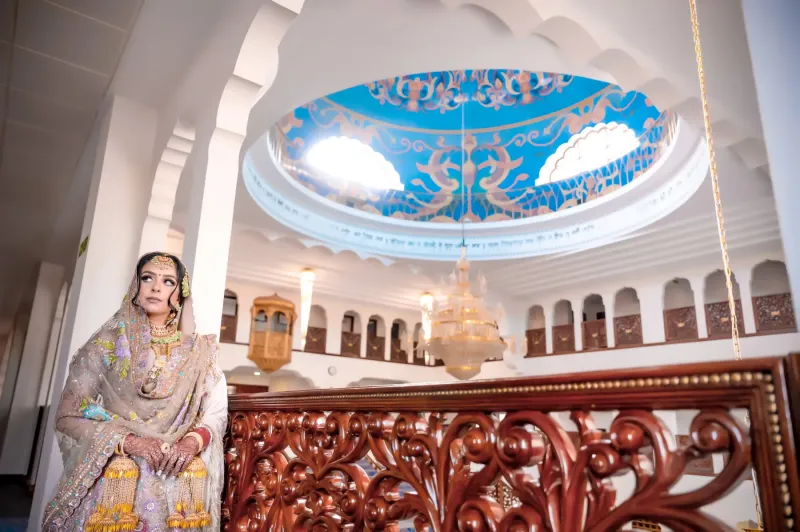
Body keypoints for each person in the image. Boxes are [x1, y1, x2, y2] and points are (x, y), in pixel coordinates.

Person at [43, 252, 227, 531]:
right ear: (136, 286)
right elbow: (67, 415)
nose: (155, 287)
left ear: (179, 294)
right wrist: (129, 442)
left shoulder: (201, 352)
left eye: (167, 281)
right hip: (116, 474)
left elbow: (215, 410)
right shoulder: (107, 344)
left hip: (174, 477)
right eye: (147, 278)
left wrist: (191, 443)